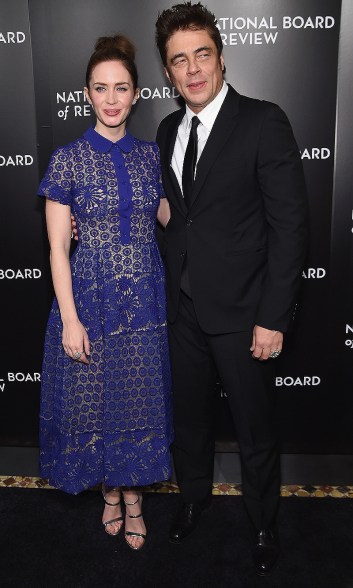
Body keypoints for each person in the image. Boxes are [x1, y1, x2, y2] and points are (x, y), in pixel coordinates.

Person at [155, 2, 308, 575]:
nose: (192, 69)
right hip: (183, 308)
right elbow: (179, 213)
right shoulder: (168, 128)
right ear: (168, 73)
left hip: (246, 312)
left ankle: (264, 520)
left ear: (221, 57)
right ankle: (192, 498)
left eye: (202, 55)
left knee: (254, 424)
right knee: (189, 420)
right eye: (179, 60)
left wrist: (274, 317)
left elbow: (290, 228)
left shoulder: (263, 120)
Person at [38, 35, 173, 550]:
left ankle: (133, 495)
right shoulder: (68, 160)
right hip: (90, 300)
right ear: (87, 94)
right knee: (96, 405)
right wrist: (71, 319)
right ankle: (110, 493)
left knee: (138, 402)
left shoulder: (149, 157)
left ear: (137, 93)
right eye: (101, 88)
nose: (112, 98)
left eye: (122, 88)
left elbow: (171, 218)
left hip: (145, 300)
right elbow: (56, 250)